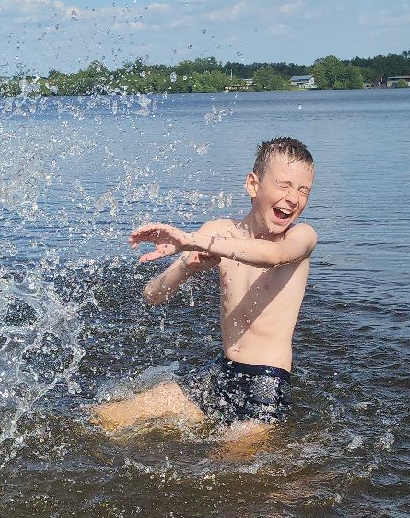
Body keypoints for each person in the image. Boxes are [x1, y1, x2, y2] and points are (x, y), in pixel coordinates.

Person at [94, 137, 318, 437]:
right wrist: (187, 267)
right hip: (221, 372)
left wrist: (192, 240)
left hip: (266, 382)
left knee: (230, 462)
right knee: (103, 419)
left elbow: (273, 256)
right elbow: (152, 295)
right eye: (284, 185)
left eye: (303, 191)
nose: (292, 198)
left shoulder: (301, 236)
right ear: (253, 185)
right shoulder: (218, 232)